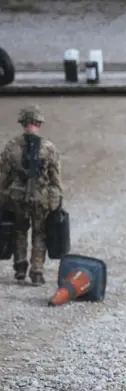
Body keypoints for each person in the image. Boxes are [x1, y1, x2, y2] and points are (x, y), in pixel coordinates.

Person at [0, 105, 63, 285]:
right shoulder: (49, 148)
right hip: (41, 196)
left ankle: (20, 266)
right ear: (39, 124)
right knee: (40, 233)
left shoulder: (11, 147)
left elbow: (3, 175)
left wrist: (2, 197)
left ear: (22, 123)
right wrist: (58, 198)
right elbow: (55, 178)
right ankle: (36, 271)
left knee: (19, 231)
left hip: (17, 197)